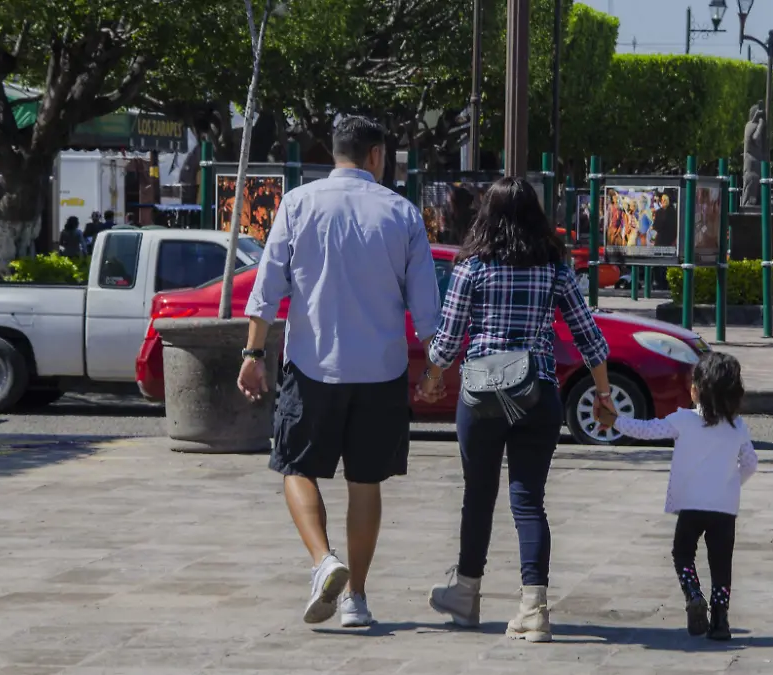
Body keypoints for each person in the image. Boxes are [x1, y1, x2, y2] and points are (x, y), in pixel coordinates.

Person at [238, 115, 440, 629]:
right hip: (381, 370)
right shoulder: (402, 212)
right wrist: (435, 367)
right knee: (366, 481)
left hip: (313, 366)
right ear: (376, 155)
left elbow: (267, 289)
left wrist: (253, 355)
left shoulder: (298, 204)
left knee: (295, 466)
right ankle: (357, 599)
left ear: (336, 152)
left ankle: (323, 560)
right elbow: (427, 306)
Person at [417, 177, 614, 643]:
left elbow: (448, 339)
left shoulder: (472, 268)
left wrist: (431, 378)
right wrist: (603, 394)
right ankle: (534, 608)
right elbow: (589, 337)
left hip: (482, 395)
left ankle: (466, 593)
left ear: (487, 214)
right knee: (529, 501)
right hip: (537, 391)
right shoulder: (555, 269)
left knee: (478, 495)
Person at [596, 352, 758, 641]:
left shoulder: (683, 420)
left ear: (695, 391)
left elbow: (646, 430)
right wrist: (732, 483)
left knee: (683, 554)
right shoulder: (738, 427)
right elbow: (750, 464)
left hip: (690, 504)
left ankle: (693, 593)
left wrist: (615, 420)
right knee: (721, 564)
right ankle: (720, 621)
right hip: (724, 508)